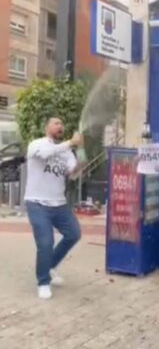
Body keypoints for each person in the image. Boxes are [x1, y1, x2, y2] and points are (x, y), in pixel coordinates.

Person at [24, 117, 84, 300]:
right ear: (46, 127)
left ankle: (50, 266)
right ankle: (43, 282)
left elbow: (74, 174)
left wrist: (80, 150)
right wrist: (71, 143)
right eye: (56, 123)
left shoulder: (67, 152)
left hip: (59, 203)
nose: (61, 126)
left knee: (74, 233)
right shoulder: (37, 144)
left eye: (62, 124)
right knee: (45, 243)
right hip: (37, 203)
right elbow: (45, 155)